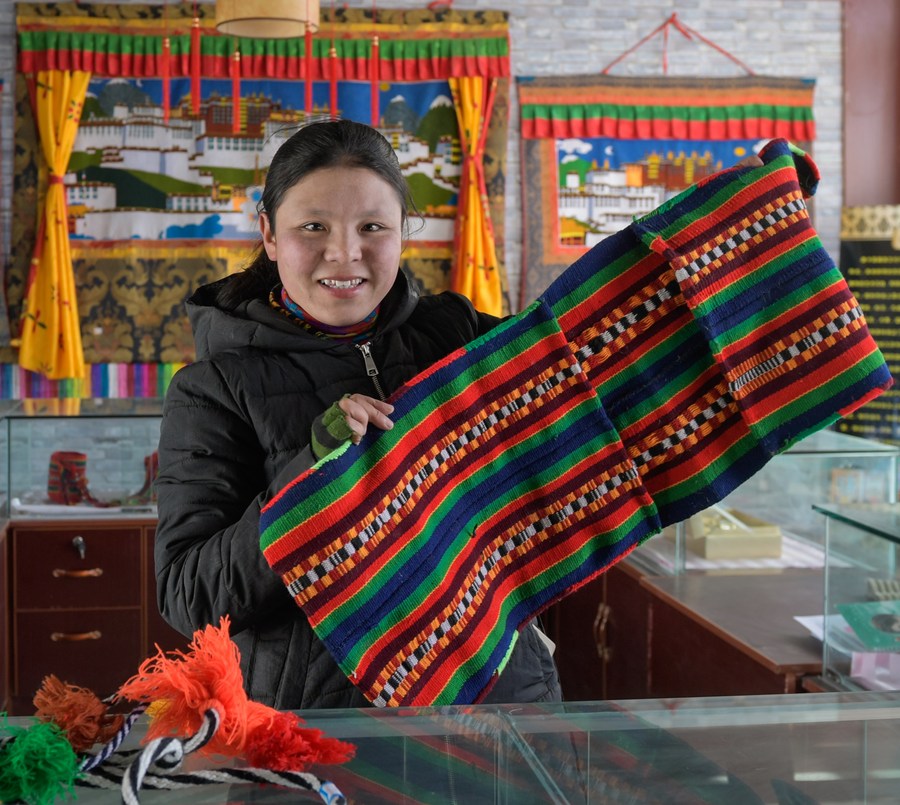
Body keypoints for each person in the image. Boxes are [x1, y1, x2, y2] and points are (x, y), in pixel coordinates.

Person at [155, 119, 562, 710]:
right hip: (324, 733)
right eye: (312, 226)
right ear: (269, 233)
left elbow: (590, 357)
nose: (344, 252)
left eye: (372, 226)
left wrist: (734, 215)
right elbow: (189, 595)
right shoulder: (214, 388)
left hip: (501, 709)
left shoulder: (461, 338)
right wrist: (316, 473)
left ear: (403, 232)